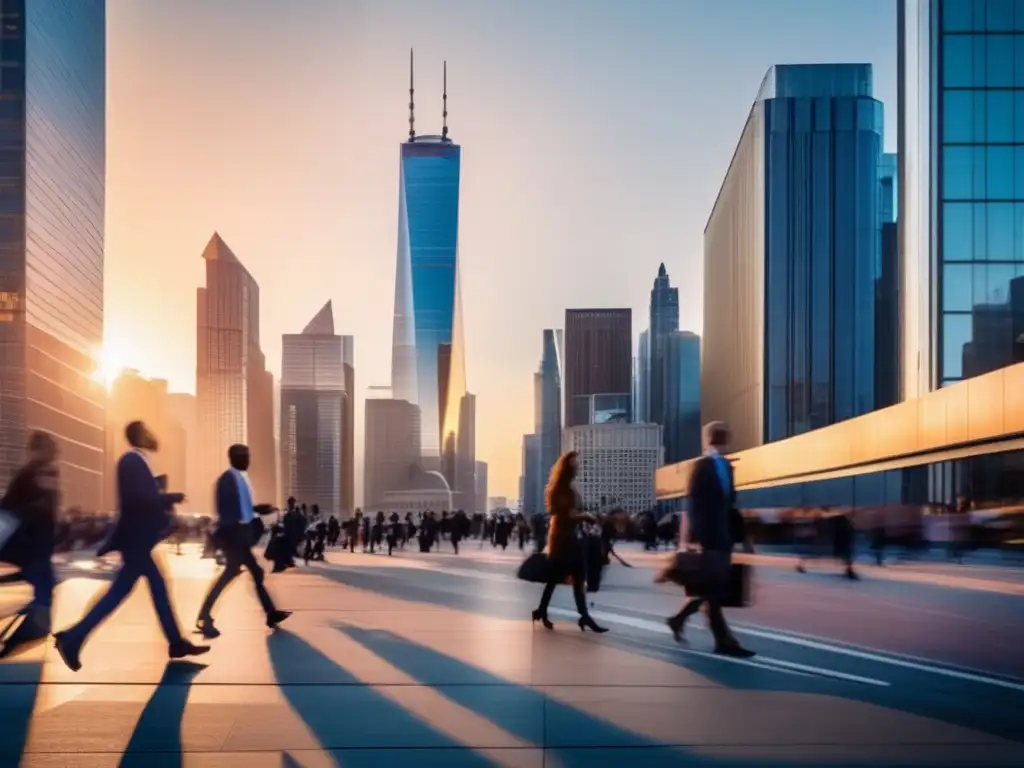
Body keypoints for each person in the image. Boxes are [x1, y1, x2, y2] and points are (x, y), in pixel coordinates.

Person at [53, 422, 208, 671]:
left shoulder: (136, 460)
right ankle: (72, 638)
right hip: (136, 540)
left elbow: (141, 497)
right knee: (124, 593)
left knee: (148, 588)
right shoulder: (131, 460)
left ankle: (175, 642)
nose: (151, 434)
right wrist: (169, 497)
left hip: (138, 539)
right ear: (138, 435)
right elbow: (138, 498)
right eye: (146, 431)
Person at [665, 421, 754, 658]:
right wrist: (693, 538)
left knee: (711, 588)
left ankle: (679, 620)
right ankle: (724, 641)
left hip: (722, 535)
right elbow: (693, 506)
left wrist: (743, 537)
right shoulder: (702, 467)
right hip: (708, 538)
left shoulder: (727, 465)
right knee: (713, 588)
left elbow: (730, 506)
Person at [195, 444, 290, 639]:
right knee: (249, 573)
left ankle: (270, 614)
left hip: (239, 537)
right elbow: (226, 514)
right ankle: (205, 616)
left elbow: (243, 508)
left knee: (238, 575)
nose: (248, 460)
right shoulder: (227, 480)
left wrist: (259, 509)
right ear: (235, 457)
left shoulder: (239, 478)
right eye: (245, 456)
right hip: (235, 539)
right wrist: (231, 540)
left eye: (248, 455)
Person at [531, 451, 608, 633]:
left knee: (567, 577)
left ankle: (546, 611)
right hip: (563, 538)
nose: (577, 467)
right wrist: (586, 516)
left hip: (568, 537)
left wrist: (585, 514)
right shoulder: (561, 488)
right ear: (567, 468)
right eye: (574, 464)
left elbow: (572, 511)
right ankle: (583, 617)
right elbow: (567, 513)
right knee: (573, 577)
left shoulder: (567, 488)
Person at [0, 432, 61, 656]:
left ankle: (29, 626)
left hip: (35, 545)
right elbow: (17, 508)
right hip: (33, 546)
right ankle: (23, 635)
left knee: (45, 590)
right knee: (44, 593)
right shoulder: (33, 474)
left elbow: (9, 506)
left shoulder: (36, 473)